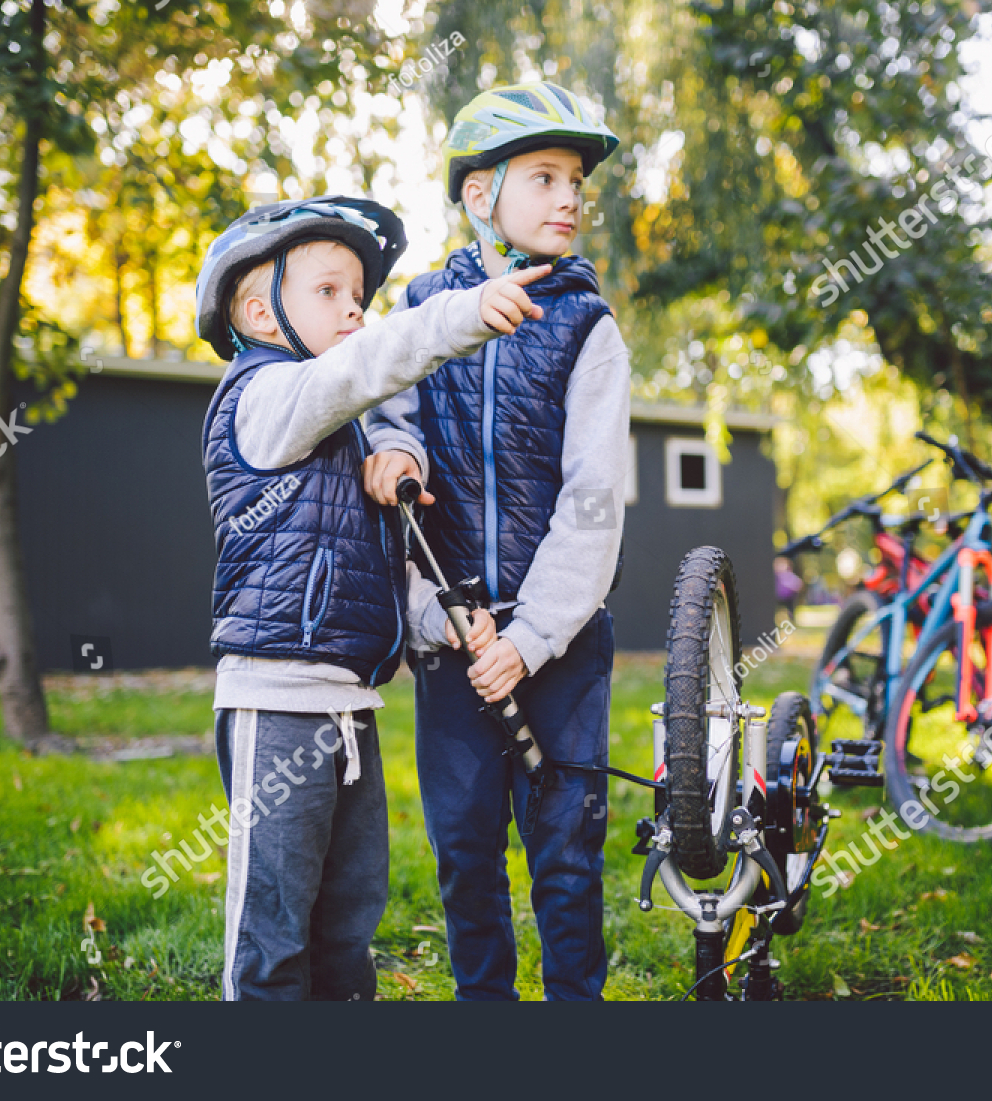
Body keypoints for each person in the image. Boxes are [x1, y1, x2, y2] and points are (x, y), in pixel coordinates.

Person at [196, 194, 550, 1000]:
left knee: (349, 925)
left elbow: (384, 573)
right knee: (273, 929)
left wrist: (442, 620)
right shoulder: (264, 400)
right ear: (257, 312)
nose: (353, 309)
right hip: (277, 703)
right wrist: (457, 315)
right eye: (328, 292)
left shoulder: (347, 432)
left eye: (359, 296)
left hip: (350, 708)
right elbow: (361, 368)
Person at [364, 82, 631, 1001]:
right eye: (546, 177)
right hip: (453, 647)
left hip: (556, 644)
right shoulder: (423, 312)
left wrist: (527, 640)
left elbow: (593, 504)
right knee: (465, 857)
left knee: (565, 858)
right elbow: (387, 438)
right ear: (482, 197)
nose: (570, 198)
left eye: (576, 182)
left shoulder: (586, 328)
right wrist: (436, 617)